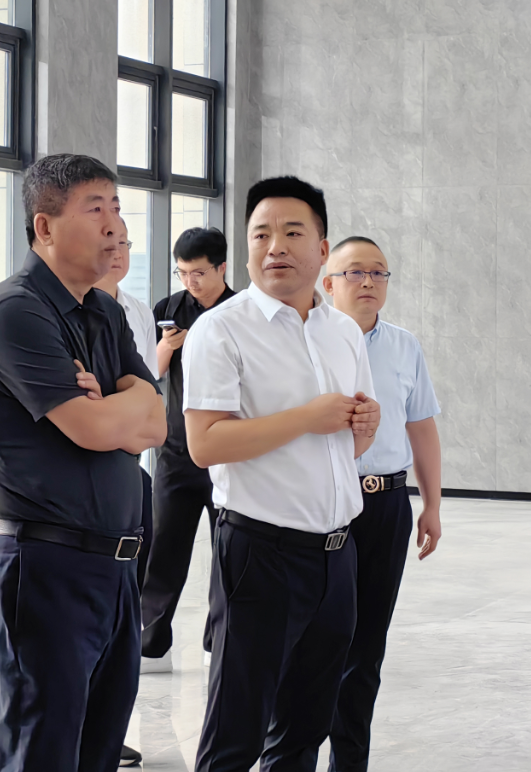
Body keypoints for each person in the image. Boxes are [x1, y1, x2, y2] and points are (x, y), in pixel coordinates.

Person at [0, 154, 167, 771]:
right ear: (45, 227)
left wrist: (116, 406)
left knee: (99, 751)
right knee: (44, 752)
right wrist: (116, 408)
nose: (114, 224)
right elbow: (91, 427)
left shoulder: (105, 311)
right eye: (94, 208)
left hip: (116, 567)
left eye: (116, 207)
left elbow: (156, 421)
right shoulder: (17, 310)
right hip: (45, 564)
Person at [183, 176, 381, 772]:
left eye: (293, 233)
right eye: (261, 234)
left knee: (303, 732)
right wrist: (306, 418)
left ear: (321, 249)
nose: (275, 247)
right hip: (259, 554)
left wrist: (364, 425)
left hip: (337, 555)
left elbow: (349, 444)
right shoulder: (221, 328)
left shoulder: (342, 331)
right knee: (235, 736)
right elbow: (205, 444)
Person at [321, 236, 443, 772]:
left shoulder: (404, 345)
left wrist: (431, 504)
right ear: (329, 283)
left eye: (378, 272)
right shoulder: (312, 341)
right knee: (317, 640)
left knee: (366, 647)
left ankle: (349, 763)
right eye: (355, 272)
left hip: (387, 504)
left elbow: (422, 427)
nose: (368, 281)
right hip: (326, 501)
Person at [140, 226, 237, 673]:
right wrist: (165, 346)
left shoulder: (242, 313)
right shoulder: (168, 310)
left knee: (228, 552)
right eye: (182, 273)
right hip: (176, 452)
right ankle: (151, 644)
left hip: (227, 452)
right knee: (164, 548)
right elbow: (148, 376)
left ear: (221, 268)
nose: (190, 281)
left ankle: (220, 641)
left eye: (198, 272)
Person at [91, 229, 157, 769]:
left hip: (133, 474)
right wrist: (125, 407)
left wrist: (116, 406)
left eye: (126, 244)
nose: (118, 253)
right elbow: (85, 418)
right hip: (86, 486)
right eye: (107, 240)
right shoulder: (55, 312)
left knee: (125, 608)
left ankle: (111, 729)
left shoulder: (135, 311)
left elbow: (152, 410)